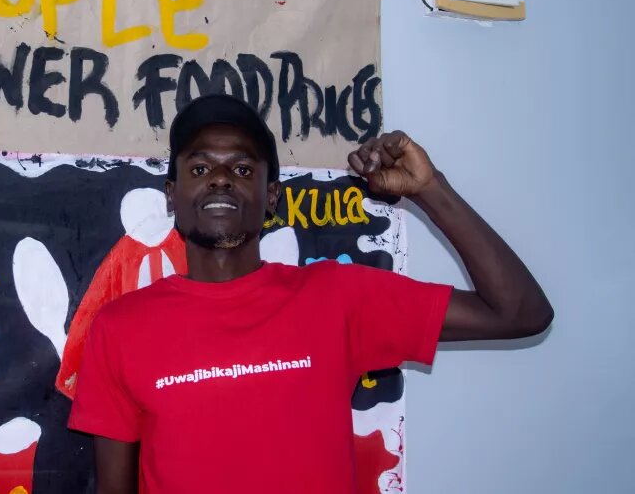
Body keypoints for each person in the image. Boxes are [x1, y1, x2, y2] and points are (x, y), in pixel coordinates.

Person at [68, 94, 553, 494]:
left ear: (271, 197)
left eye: (241, 169)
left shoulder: (336, 296)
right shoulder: (120, 328)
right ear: (172, 195)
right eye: (199, 169)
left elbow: (520, 312)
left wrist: (430, 188)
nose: (219, 178)